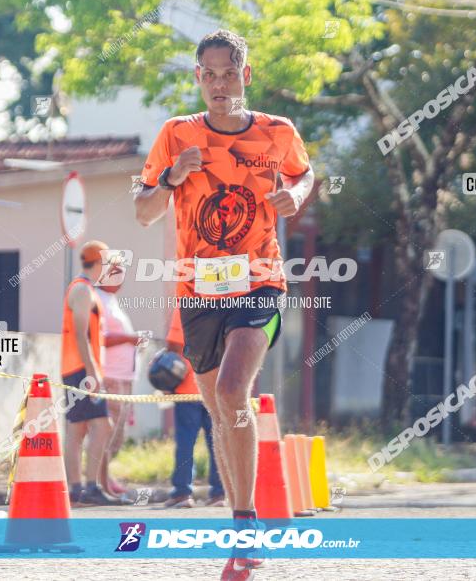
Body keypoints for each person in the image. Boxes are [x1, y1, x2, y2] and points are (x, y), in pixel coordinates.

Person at [134, 29, 314, 580]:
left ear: (246, 76)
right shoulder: (175, 134)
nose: (219, 84)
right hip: (197, 292)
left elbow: (305, 176)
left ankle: (245, 526)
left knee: (236, 390)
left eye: (228, 73)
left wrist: (295, 195)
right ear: (197, 78)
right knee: (218, 407)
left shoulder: (276, 133)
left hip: (260, 281)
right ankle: (241, 532)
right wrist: (170, 178)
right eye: (208, 74)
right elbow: (143, 211)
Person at [60, 240, 122, 506]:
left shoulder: (84, 289)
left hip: (76, 368)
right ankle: (89, 487)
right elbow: (81, 334)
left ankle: (77, 489)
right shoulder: (83, 291)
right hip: (80, 370)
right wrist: (92, 371)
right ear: (98, 262)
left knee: (77, 428)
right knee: (100, 425)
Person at [162, 309, 226, 509]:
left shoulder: (185, 304)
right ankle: (219, 493)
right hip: (214, 387)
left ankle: (182, 493)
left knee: (185, 442)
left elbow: (174, 344)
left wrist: (166, 379)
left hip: (188, 387)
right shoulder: (224, 303)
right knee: (216, 440)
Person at [94, 256, 146, 496]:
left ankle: (105, 478)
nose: (119, 277)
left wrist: (133, 340)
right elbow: (99, 338)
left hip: (123, 376)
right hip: (111, 376)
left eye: (122, 272)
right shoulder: (99, 300)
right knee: (108, 432)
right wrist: (131, 338)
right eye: (115, 271)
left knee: (117, 434)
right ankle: (99, 481)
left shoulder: (111, 300)